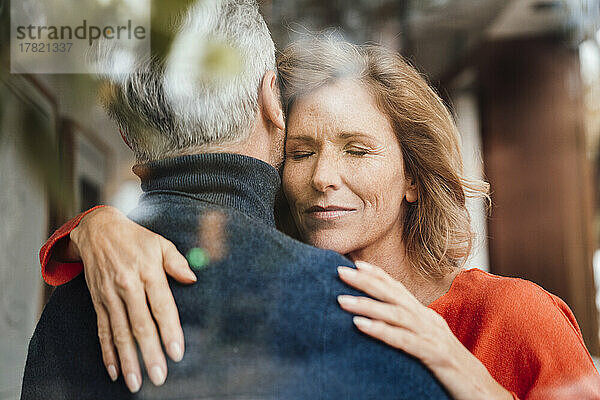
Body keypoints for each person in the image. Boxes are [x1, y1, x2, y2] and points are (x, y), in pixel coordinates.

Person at [32, 16, 600, 400]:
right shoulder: (286, 299)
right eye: (301, 152)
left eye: (358, 149)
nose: (324, 178)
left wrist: (471, 381)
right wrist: (97, 227)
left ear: (411, 176)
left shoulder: (516, 316)